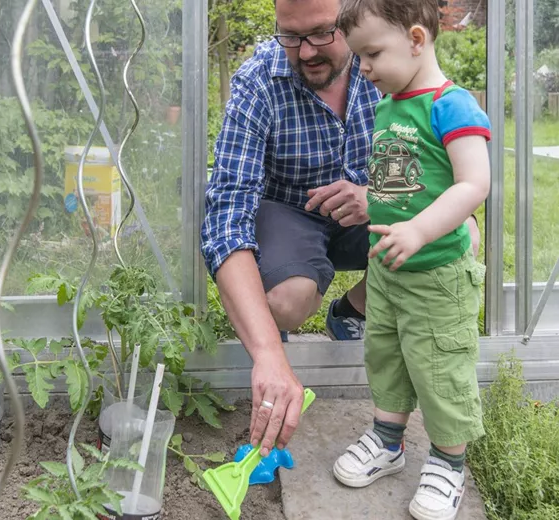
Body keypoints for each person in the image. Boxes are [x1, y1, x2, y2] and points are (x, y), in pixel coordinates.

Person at [200, 0, 480, 461]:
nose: (307, 51)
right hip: (292, 213)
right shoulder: (259, 80)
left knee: (463, 231)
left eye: (321, 33)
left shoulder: (392, 64)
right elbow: (225, 216)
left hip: (375, 207)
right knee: (286, 301)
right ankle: (291, 312)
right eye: (291, 36)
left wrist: (374, 194)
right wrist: (269, 355)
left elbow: (446, 176)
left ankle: (354, 309)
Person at [331, 1, 490, 519]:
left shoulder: (452, 105)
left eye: (372, 54)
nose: (364, 68)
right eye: (359, 57)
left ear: (417, 40)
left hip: (438, 274)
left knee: (440, 367)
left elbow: (474, 183)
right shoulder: (389, 105)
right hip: (388, 270)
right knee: (387, 355)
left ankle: (448, 461)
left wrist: (421, 229)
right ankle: (388, 439)